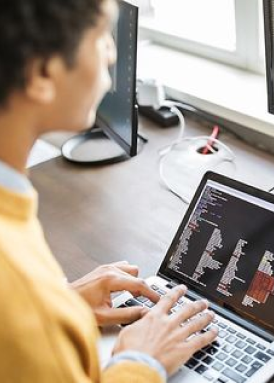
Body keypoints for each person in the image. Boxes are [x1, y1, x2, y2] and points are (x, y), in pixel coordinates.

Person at [0, 0, 218, 382]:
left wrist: (59, 306)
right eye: (102, 37)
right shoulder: (14, 284)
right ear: (42, 73)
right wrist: (141, 362)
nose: (113, 53)